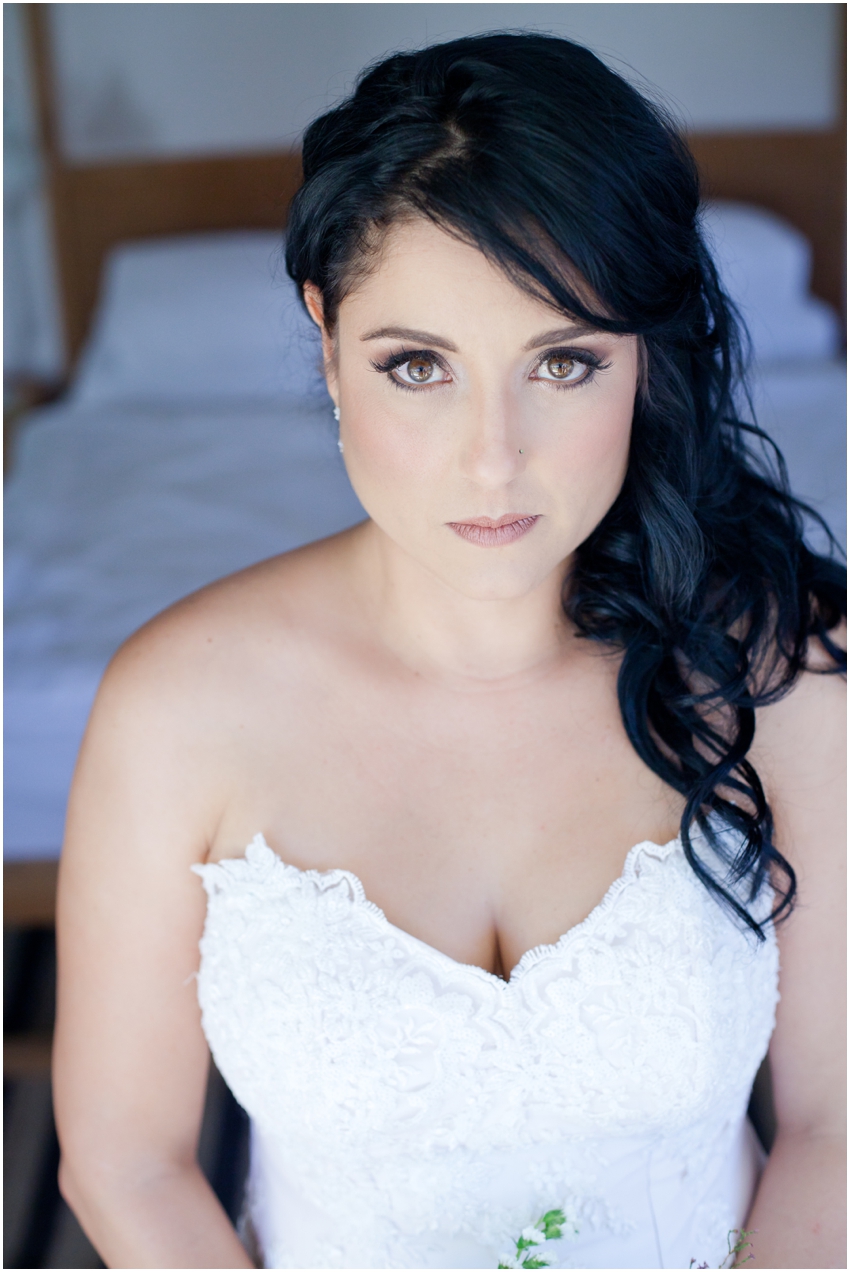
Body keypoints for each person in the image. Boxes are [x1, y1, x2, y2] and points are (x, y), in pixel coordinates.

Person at [53, 32, 845, 1271]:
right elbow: (126, 1161)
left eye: (564, 362)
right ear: (327, 340)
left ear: (645, 358)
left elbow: (835, 1125)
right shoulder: (176, 705)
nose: (493, 460)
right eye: (417, 366)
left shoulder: (783, 667)